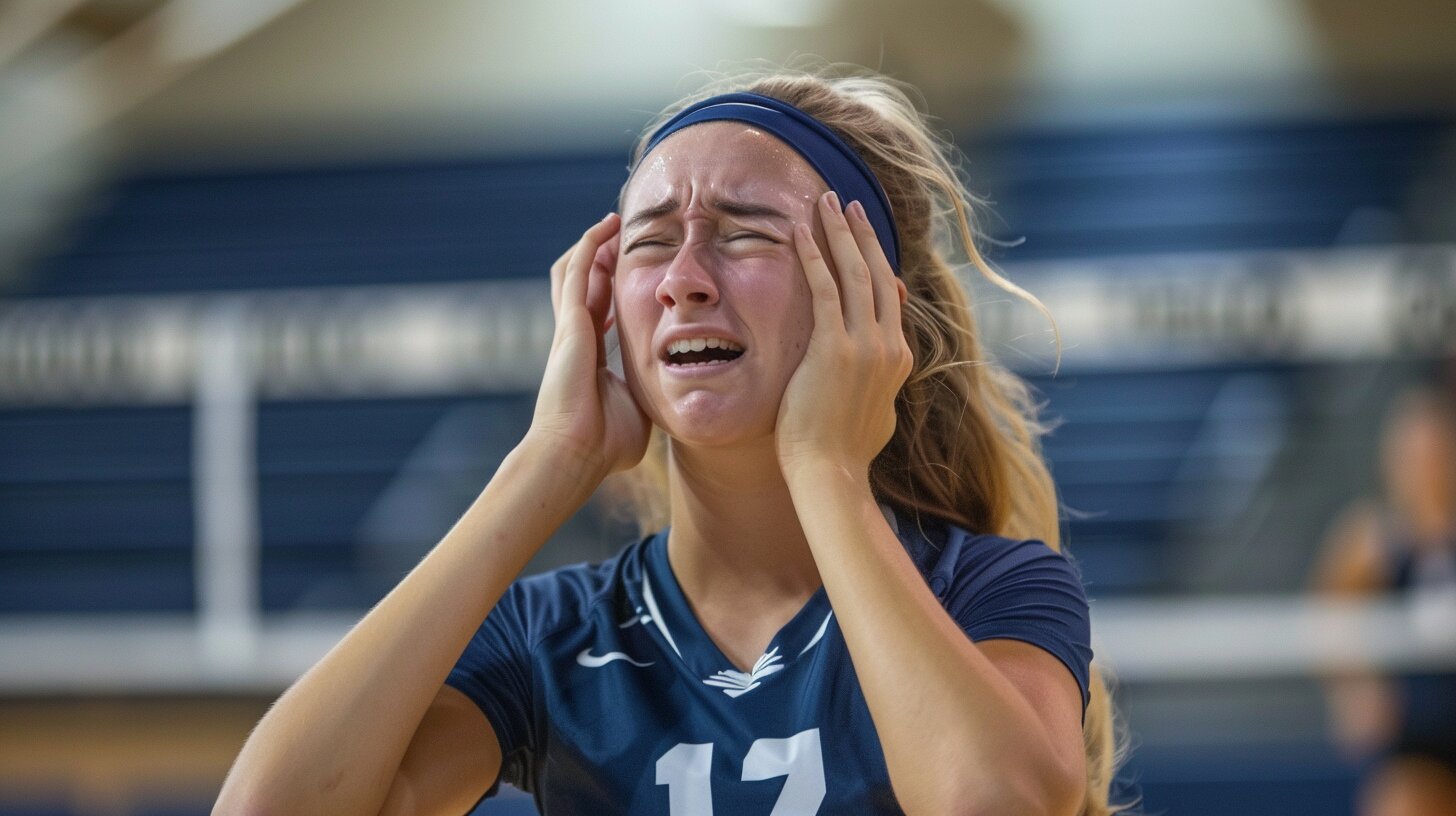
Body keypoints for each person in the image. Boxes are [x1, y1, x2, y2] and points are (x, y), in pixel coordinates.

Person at [214, 64, 1129, 815]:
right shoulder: (555, 638)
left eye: (745, 234)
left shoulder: (990, 590)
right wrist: (547, 462)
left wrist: (826, 468)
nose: (685, 278)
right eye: (651, 242)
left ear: (867, 300)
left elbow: (994, 804)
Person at [1315, 384, 1456, 816]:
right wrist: (1355, 695)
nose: (1423, 464)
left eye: (1433, 450)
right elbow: (1328, 618)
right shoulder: (1371, 539)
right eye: (1410, 452)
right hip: (1417, 740)